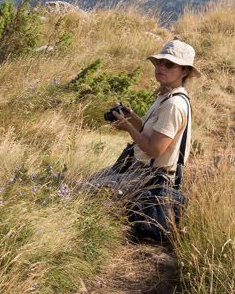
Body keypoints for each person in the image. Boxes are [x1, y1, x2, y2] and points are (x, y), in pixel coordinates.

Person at [85, 39, 200, 201]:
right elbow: (150, 133)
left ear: (184, 72)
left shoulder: (174, 104)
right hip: (140, 170)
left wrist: (128, 128)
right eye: (159, 62)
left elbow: (154, 150)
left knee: (84, 192)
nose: (161, 67)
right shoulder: (166, 95)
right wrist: (132, 117)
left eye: (169, 64)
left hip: (153, 180)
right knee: (88, 182)